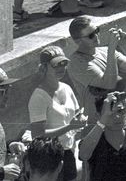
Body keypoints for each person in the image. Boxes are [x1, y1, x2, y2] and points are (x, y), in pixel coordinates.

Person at [28, 46, 86, 181]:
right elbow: (38, 135)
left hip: (69, 150)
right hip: (49, 157)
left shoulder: (67, 88)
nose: (61, 68)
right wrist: (69, 127)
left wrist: (80, 118)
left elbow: (77, 113)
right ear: (44, 68)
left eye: (64, 63)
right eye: (55, 65)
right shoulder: (38, 97)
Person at [67, 17, 126, 114]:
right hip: (98, 120)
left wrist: (125, 45)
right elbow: (109, 84)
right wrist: (111, 50)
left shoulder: (105, 51)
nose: (96, 36)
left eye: (97, 30)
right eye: (91, 35)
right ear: (78, 41)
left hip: (120, 114)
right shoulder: (76, 62)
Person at [78, 90, 126, 180]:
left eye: (120, 111)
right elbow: (83, 154)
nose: (117, 117)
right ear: (98, 116)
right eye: (111, 113)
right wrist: (103, 119)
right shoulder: (92, 143)